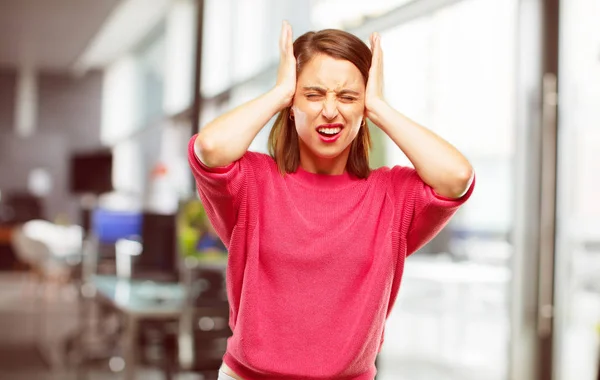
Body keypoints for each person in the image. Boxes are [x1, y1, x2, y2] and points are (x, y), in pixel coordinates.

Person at [188, 21, 475, 380]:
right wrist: (279, 93)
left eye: (347, 97)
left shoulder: (391, 194)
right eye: (313, 94)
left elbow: (457, 177)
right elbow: (211, 148)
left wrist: (380, 108)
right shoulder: (254, 182)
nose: (329, 111)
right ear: (292, 105)